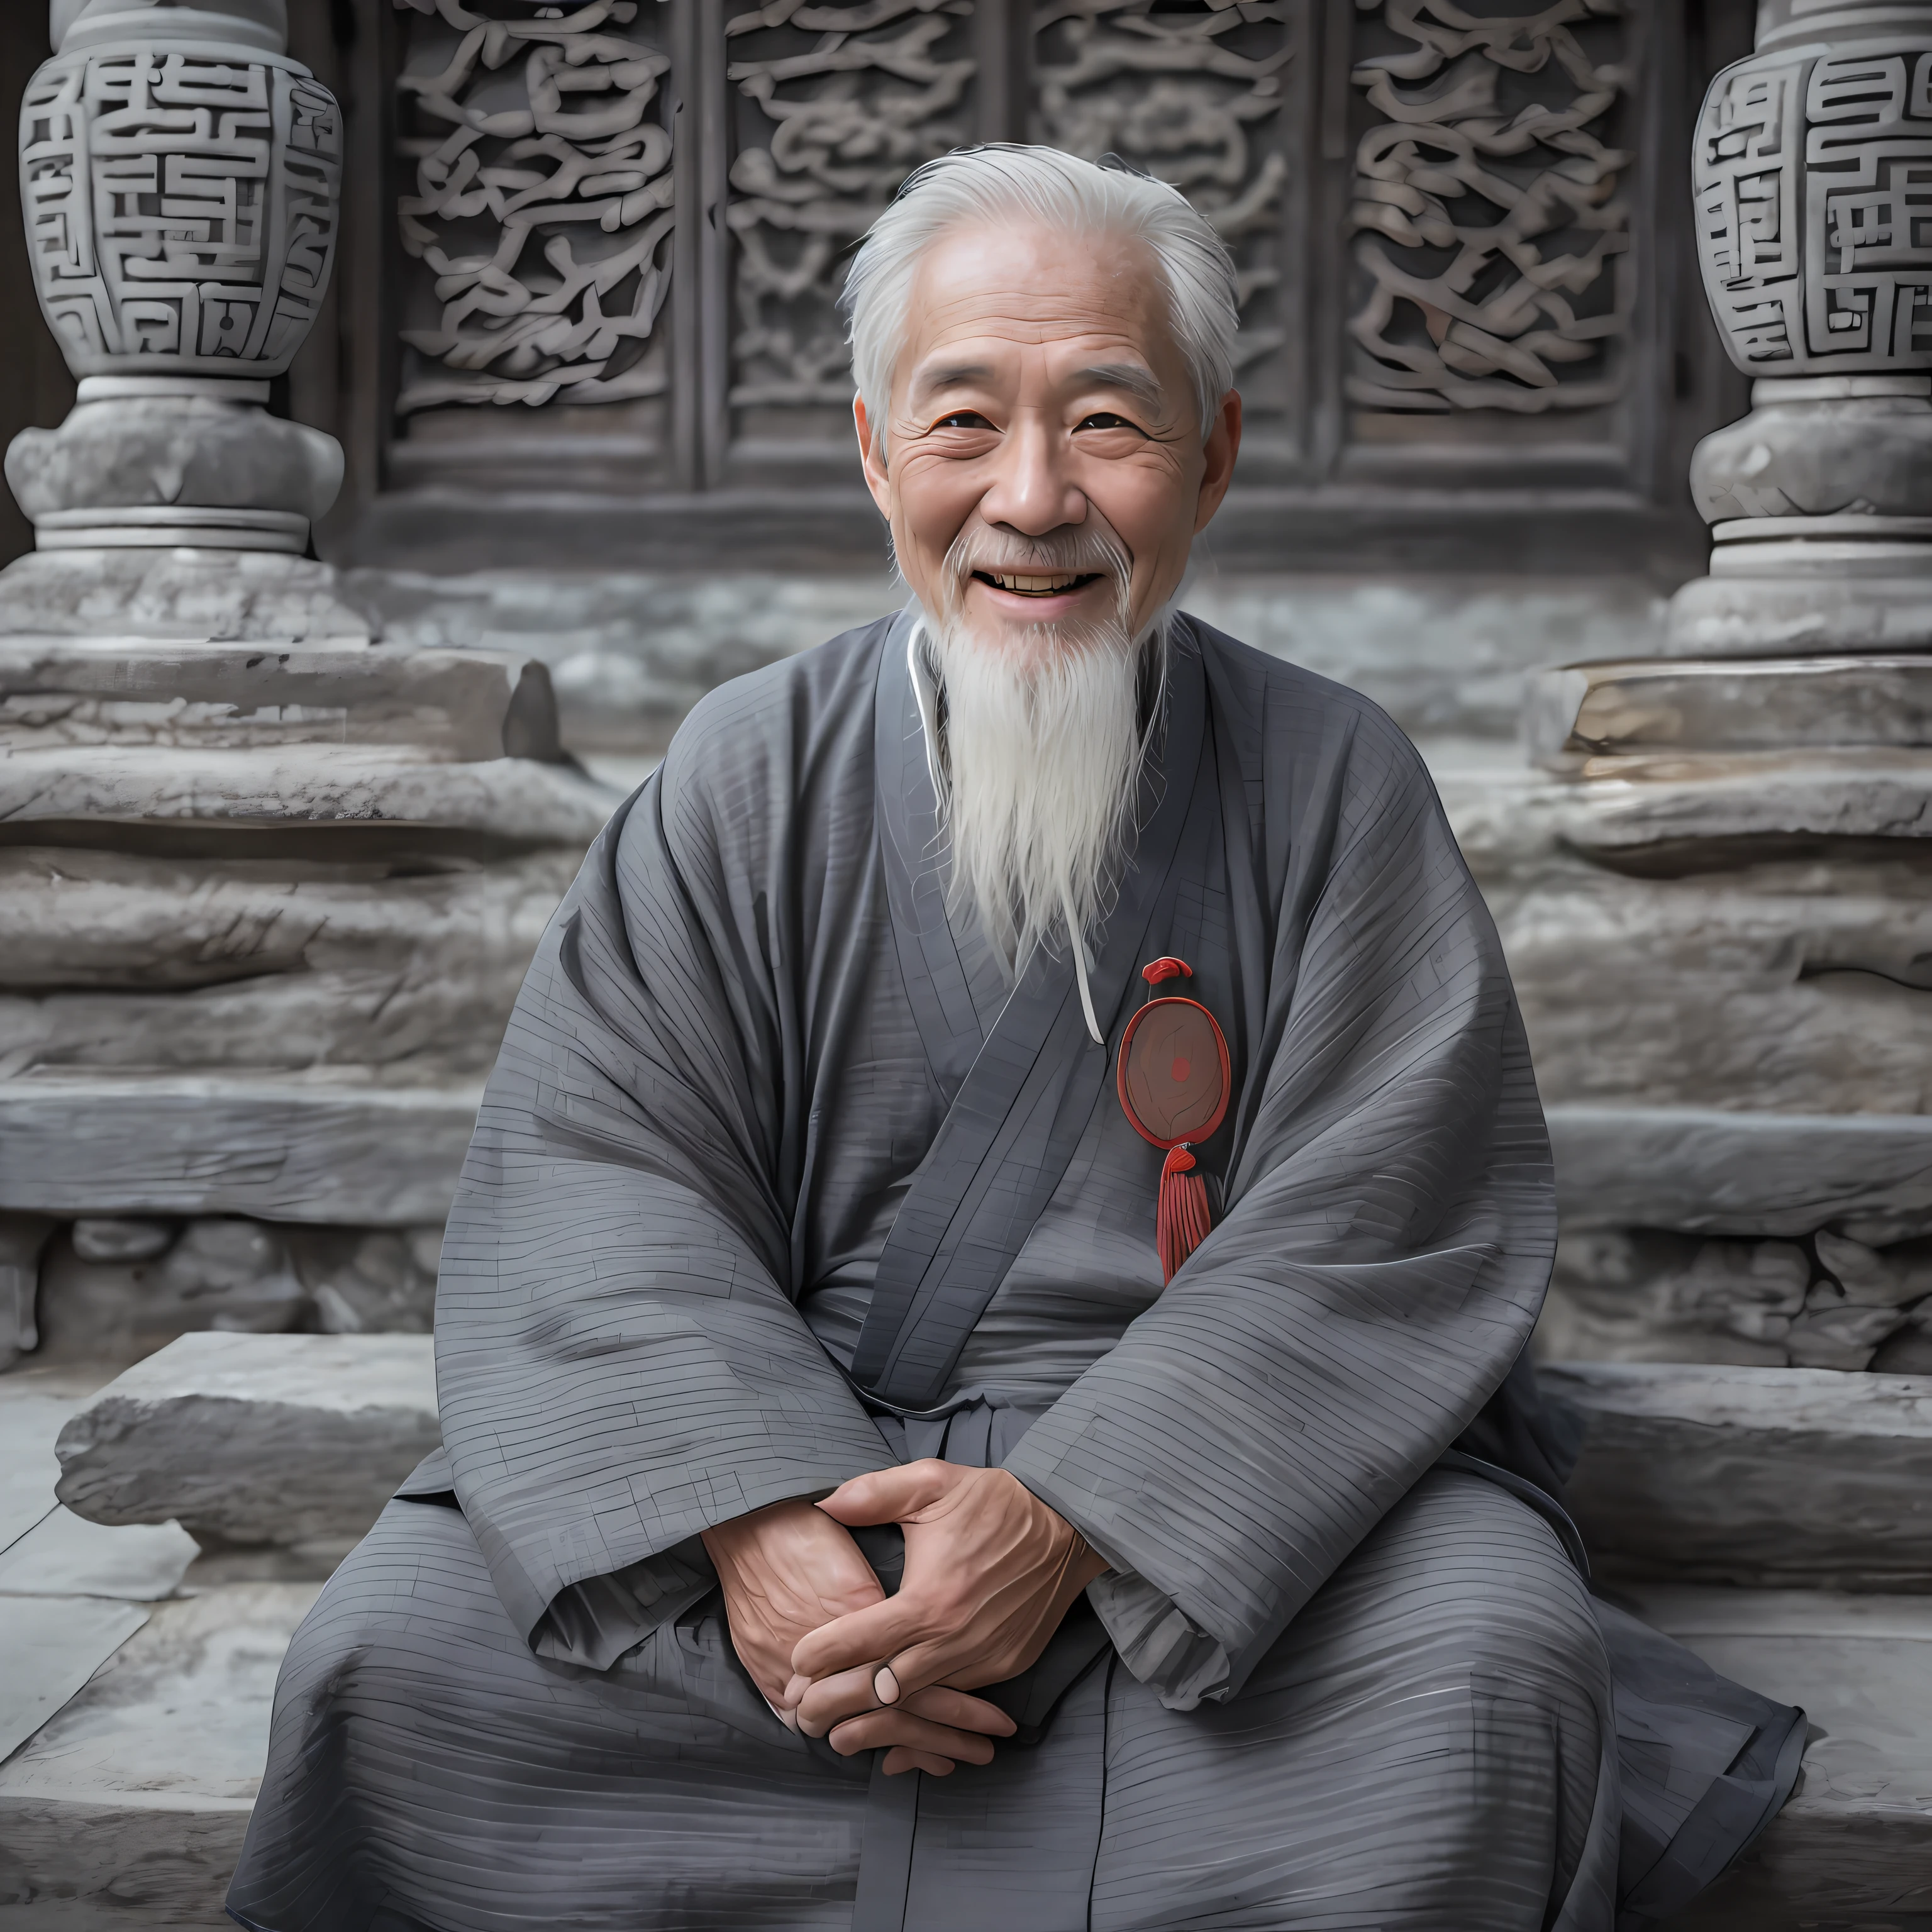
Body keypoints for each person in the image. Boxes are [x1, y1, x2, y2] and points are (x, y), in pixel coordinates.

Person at [228, 145, 1800, 1932]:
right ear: (877, 449)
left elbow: (1392, 1210)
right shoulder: (745, 770)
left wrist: (1075, 1518)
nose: (1033, 499)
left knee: (1485, 1665)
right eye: (965, 422)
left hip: (1215, 1515)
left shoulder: (1336, 777)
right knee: (397, 1662)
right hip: (797, 1468)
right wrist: (754, 1528)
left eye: (1110, 425)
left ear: (1207, 460)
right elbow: (599, 1173)